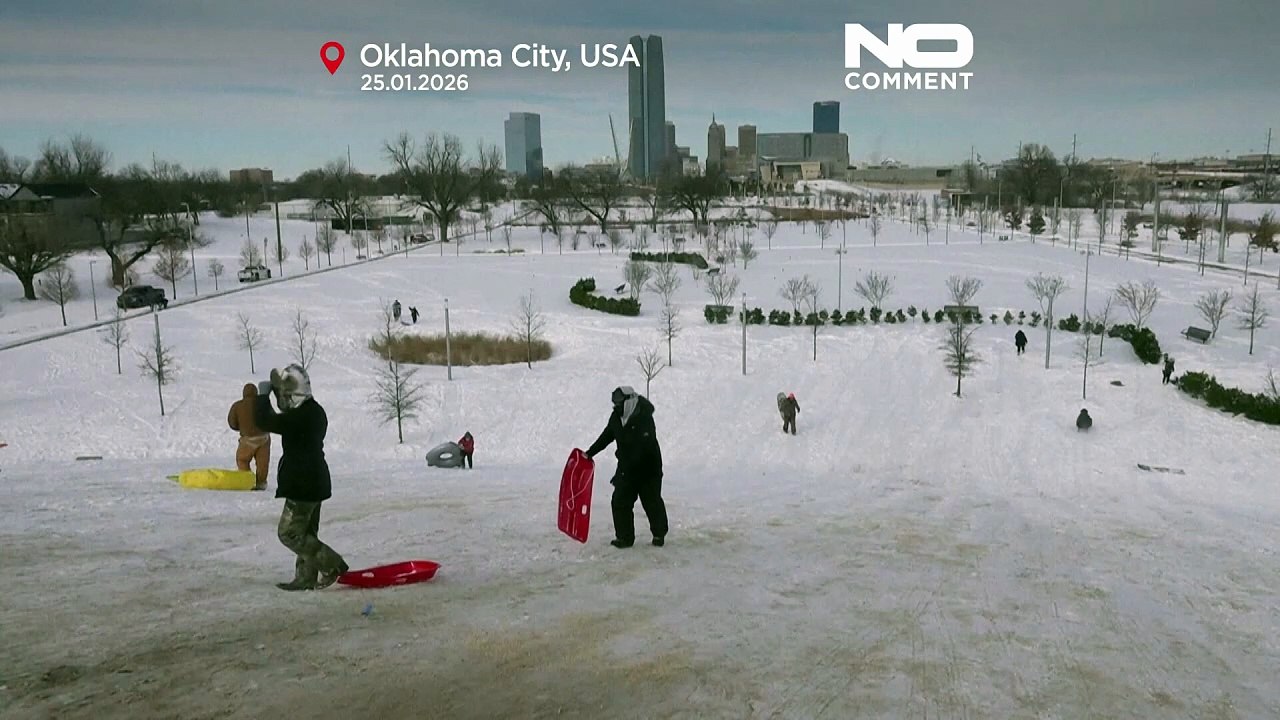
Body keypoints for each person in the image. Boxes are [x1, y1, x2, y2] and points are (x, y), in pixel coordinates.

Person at [254, 364, 348, 591]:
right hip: (314, 480)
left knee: (289, 533)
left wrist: (262, 397)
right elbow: (284, 414)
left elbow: (265, 422)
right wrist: (276, 393)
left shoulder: (301, 417)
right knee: (306, 533)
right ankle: (306, 578)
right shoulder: (314, 411)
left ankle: (332, 564)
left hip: (303, 483)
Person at [586, 386, 668, 548]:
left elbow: (644, 446)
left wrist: (626, 467)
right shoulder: (616, 417)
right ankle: (624, 538)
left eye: (619, 403)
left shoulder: (644, 417)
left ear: (629, 401)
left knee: (651, 502)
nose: (616, 407)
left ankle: (659, 534)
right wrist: (589, 453)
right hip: (626, 469)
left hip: (648, 470)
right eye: (614, 403)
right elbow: (607, 436)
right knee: (619, 502)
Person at [227, 383, 271, 491]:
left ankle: (248, 481)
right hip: (264, 438)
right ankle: (261, 483)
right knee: (262, 462)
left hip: (248, 439)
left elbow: (232, 423)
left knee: (242, 460)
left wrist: (242, 427)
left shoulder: (237, 405)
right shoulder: (262, 404)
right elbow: (271, 418)